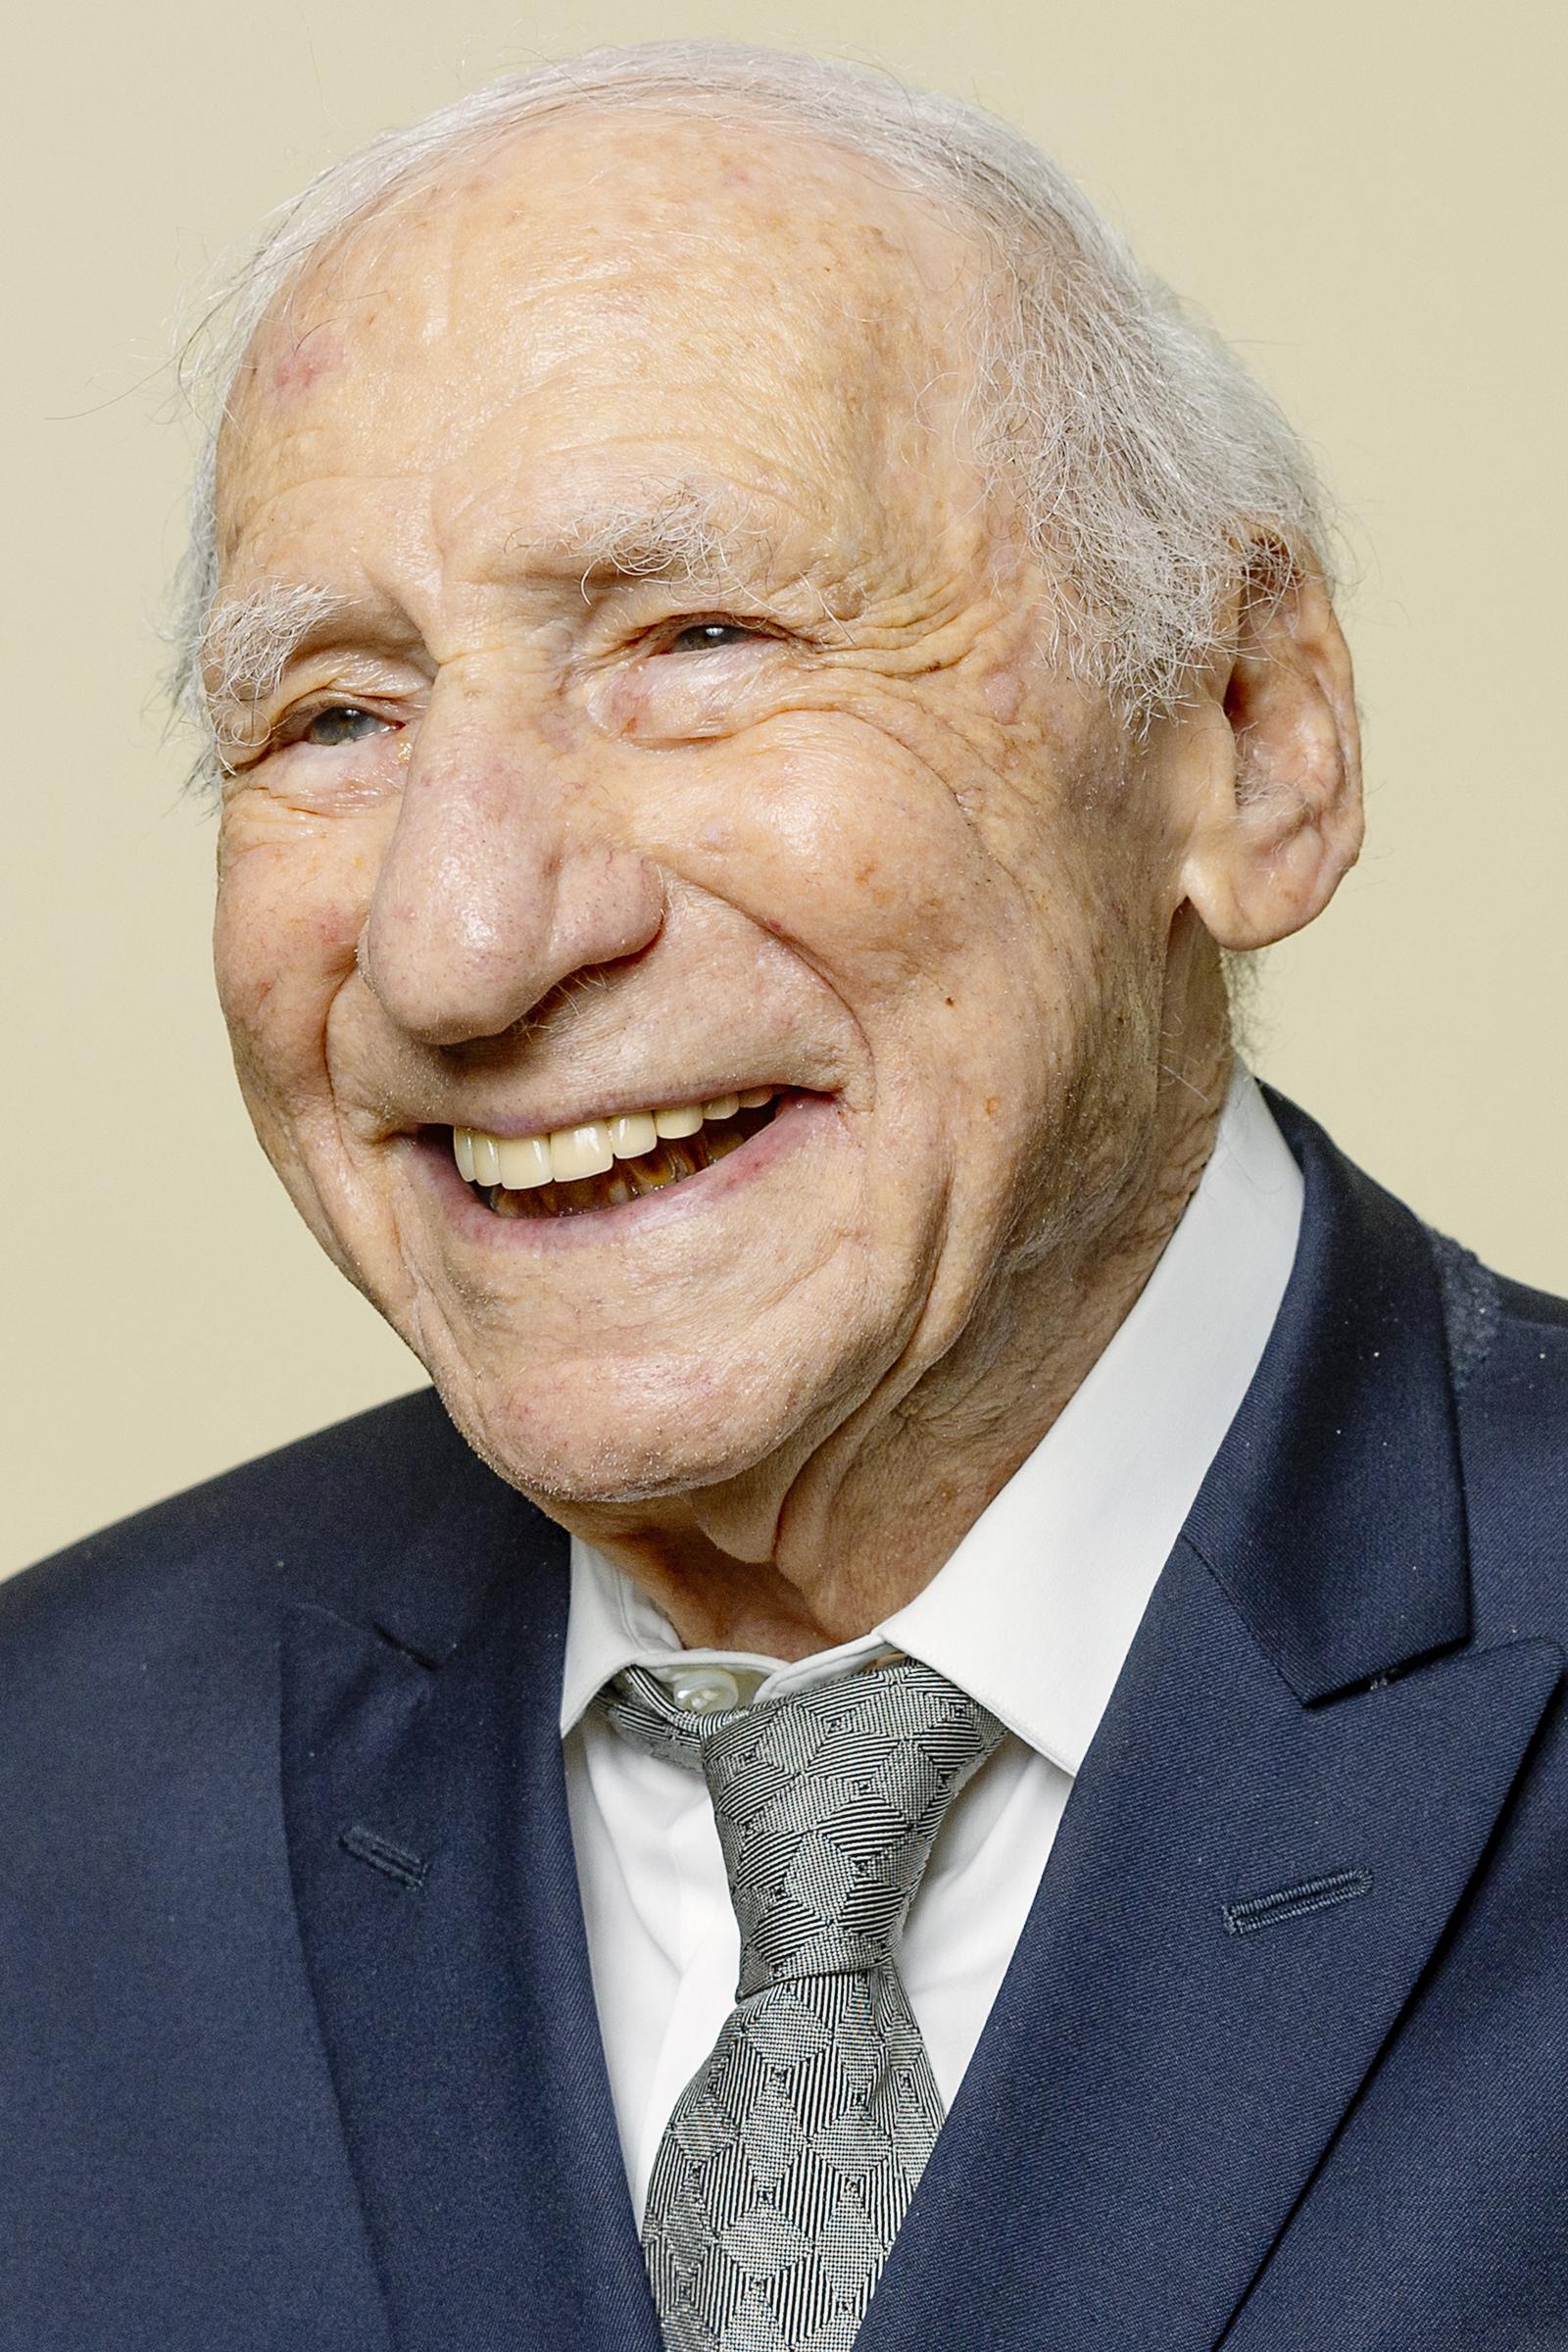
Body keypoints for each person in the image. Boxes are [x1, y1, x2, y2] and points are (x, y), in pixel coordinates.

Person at [5, 41, 1566, 2352]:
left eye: (697, 643)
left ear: (1246, 733)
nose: (453, 939)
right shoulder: (44, 1798)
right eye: (336, 715)